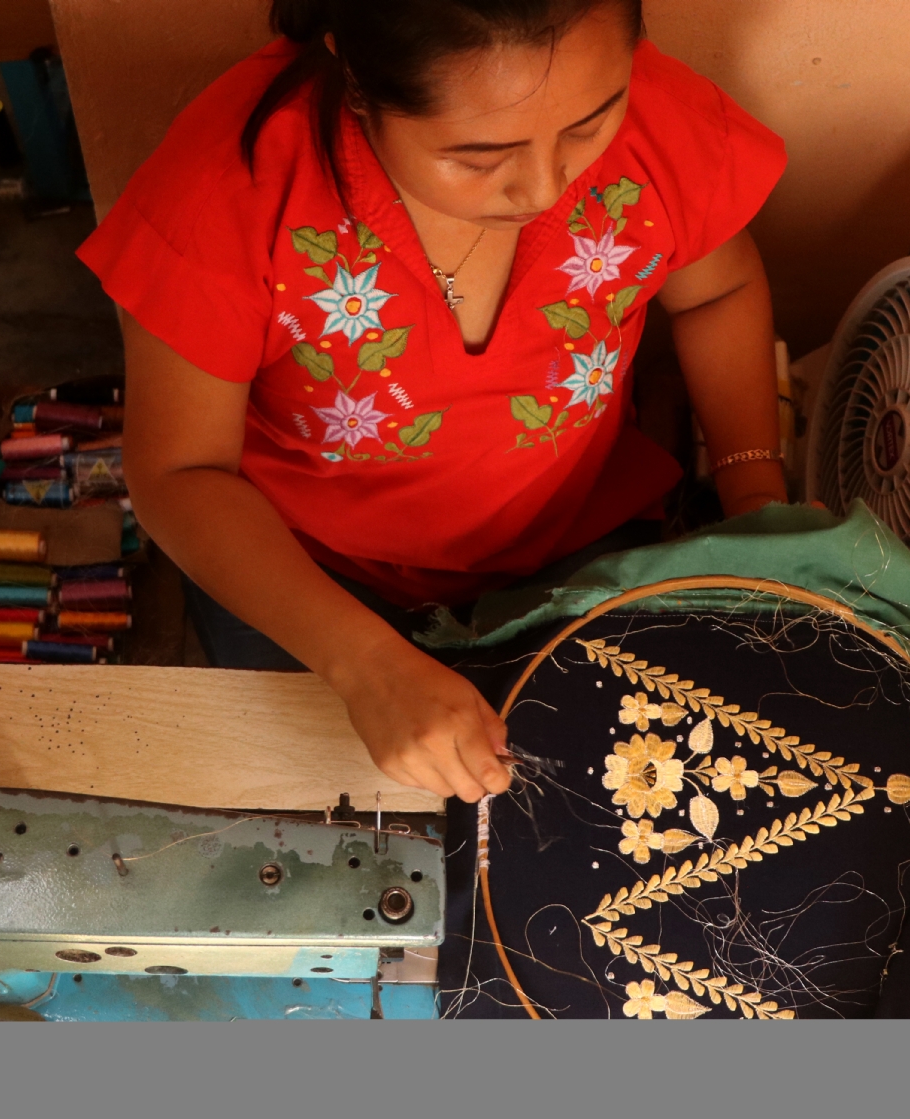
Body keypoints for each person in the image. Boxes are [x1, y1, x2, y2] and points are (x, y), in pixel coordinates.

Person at [77, 0, 788, 805]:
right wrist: (365, 665)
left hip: (573, 538)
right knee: (339, 831)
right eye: (481, 157)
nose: (546, 184)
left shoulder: (652, 119)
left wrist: (756, 499)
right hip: (309, 575)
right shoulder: (227, 195)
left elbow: (717, 288)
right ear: (356, 76)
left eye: (591, 125)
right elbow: (180, 470)